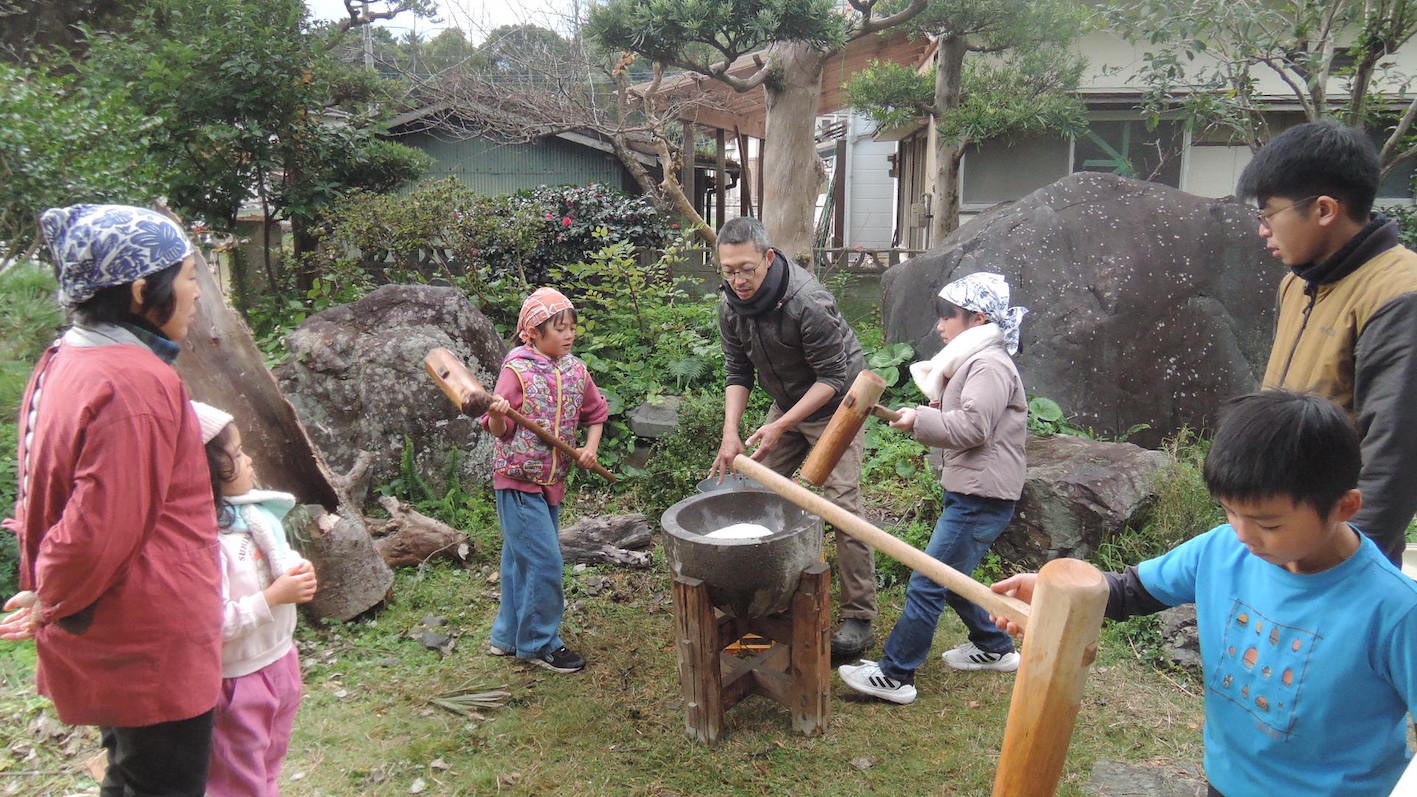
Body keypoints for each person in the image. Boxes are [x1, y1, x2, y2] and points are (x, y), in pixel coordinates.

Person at [991, 391, 1417, 797]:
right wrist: (1054, 598)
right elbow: (1129, 592)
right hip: (1227, 781)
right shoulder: (1220, 550)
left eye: (1268, 524)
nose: (1244, 535)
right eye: (1230, 512)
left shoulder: (1394, 611)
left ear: (1344, 507)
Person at [0, 204, 221, 796]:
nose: (198, 293)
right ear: (143, 289)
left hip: (116, 633)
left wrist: (51, 589)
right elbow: (98, 529)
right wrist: (54, 594)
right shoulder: (133, 381)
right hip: (148, 640)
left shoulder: (67, 356)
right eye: (190, 275)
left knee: (129, 773)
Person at [837, 272, 1029, 705]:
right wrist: (923, 414)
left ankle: (896, 675)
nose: (940, 325)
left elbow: (974, 427)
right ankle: (994, 647)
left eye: (947, 315)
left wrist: (919, 420)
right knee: (953, 579)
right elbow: (968, 417)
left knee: (928, 581)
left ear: (977, 318)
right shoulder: (976, 362)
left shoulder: (989, 364)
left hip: (982, 497)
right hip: (976, 490)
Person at [1236, 120, 1417, 565]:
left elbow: (1393, 454)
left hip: (1335, 554)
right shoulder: (1298, 284)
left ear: (1323, 209)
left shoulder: (1399, 294)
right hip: (1277, 538)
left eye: (1268, 214)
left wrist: (1354, 569)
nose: (1262, 230)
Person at [707, 217, 878, 658]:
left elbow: (833, 377)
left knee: (841, 506)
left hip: (839, 404)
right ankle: (770, 604)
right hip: (787, 402)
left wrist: (781, 424)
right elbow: (737, 371)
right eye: (728, 270)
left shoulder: (808, 302)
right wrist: (731, 434)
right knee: (752, 490)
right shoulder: (731, 304)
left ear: (768, 258)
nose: (737, 280)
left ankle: (859, 616)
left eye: (745, 268)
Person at [480, 287, 608, 674]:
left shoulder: (574, 369)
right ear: (533, 332)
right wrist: (500, 412)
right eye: (559, 329)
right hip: (518, 481)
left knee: (521, 562)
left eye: (571, 327)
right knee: (545, 563)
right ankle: (539, 643)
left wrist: (590, 449)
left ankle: (508, 636)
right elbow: (496, 428)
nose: (568, 335)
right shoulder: (516, 369)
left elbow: (596, 412)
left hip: (551, 480)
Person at [192, 401, 317, 797]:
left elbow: (277, 558)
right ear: (208, 471)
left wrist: (298, 569)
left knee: (269, 762)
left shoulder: (252, 517)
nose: (248, 461)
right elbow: (215, 622)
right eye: (237, 454)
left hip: (280, 660)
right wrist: (274, 597)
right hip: (236, 680)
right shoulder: (204, 541)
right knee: (237, 779)